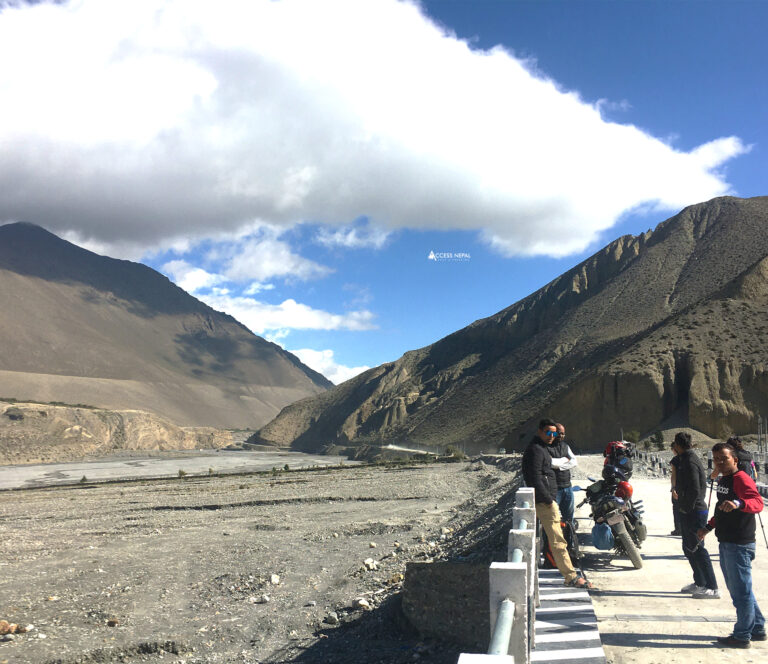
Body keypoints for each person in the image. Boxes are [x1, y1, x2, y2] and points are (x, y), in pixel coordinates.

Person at [698, 442, 765, 648]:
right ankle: (758, 627)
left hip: (739, 543)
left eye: (724, 458)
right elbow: (721, 508)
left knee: (740, 592)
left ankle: (742, 636)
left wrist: (739, 503)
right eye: (716, 458)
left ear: (734, 459)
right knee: (741, 589)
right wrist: (708, 528)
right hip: (727, 541)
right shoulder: (725, 479)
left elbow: (758, 502)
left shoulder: (741, 478)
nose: (719, 462)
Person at [522, 418, 595, 589]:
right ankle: (571, 577)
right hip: (545, 502)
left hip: (546, 499)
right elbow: (534, 477)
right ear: (539, 431)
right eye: (548, 432)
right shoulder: (536, 450)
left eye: (553, 433)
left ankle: (568, 574)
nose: (551, 436)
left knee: (558, 538)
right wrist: (548, 500)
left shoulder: (540, 449)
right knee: (558, 540)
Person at [671, 432, 718, 598]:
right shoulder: (684, 459)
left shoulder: (690, 461)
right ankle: (699, 582)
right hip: (688, 510)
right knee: (688, 547)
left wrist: (686, 507)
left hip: (695, 511)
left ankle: (712, 587)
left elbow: (696, 489)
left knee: (698, 549)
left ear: (678, 444)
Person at [548, 422, 578, 527]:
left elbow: (574, 461)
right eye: (559, 433)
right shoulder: (546, 447)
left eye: (563, 433)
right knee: (553, 519)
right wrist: (564, 460)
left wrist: (560, 466)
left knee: (569, 519)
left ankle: (571, 540)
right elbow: (549, 463)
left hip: (568, 488)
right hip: (554, 489)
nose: (561, 435)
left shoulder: (565, 446)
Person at [670, 448, 682, 536]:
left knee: (676, 509)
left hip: (677, 488)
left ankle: (678, 529)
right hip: (687, 488)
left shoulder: (675, 460)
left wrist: (673, 488)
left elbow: (673, 475)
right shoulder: (689, 458)